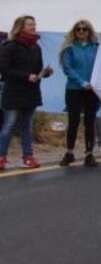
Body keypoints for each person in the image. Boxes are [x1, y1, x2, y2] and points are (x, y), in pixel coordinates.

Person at [0, 15, 54, 171]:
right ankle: (2, 157)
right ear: (21, 27)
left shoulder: (36, 47)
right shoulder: (9, 46)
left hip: (31, 93)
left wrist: (45, 73)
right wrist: (26, 76)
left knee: (26, 127)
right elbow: (4, 69)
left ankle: (28, 157)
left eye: (34, 24)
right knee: (8, 125)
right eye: (30, 24)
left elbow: (38, 69)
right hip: (13, 92)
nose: (33, 26)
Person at [58, 19, 101, 168]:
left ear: (90, 31)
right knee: (73, 121)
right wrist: (82, 82)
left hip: (92, 90)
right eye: (79, 29)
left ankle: (89, 154)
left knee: (90, 122)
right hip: (74, 89)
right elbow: (68, 68)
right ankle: (69, 152)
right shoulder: (69, 48)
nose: (82, 32)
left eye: (85, 29)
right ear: (74, 31)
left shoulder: (96, 47)